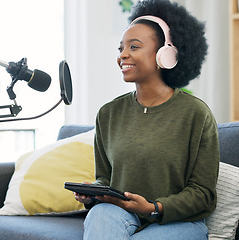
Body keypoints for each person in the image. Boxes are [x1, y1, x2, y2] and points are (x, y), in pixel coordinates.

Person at [74, 0, 220, 239]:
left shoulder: (196, 114)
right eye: (120, 48)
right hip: (119, 214)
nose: (123, 55)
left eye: (134, 46)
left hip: (178, 222)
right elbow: (105, 178)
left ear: (166, 54)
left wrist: (153, 208)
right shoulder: (108, 114)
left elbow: (204, 195)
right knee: (99, 216)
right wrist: (94, 193)